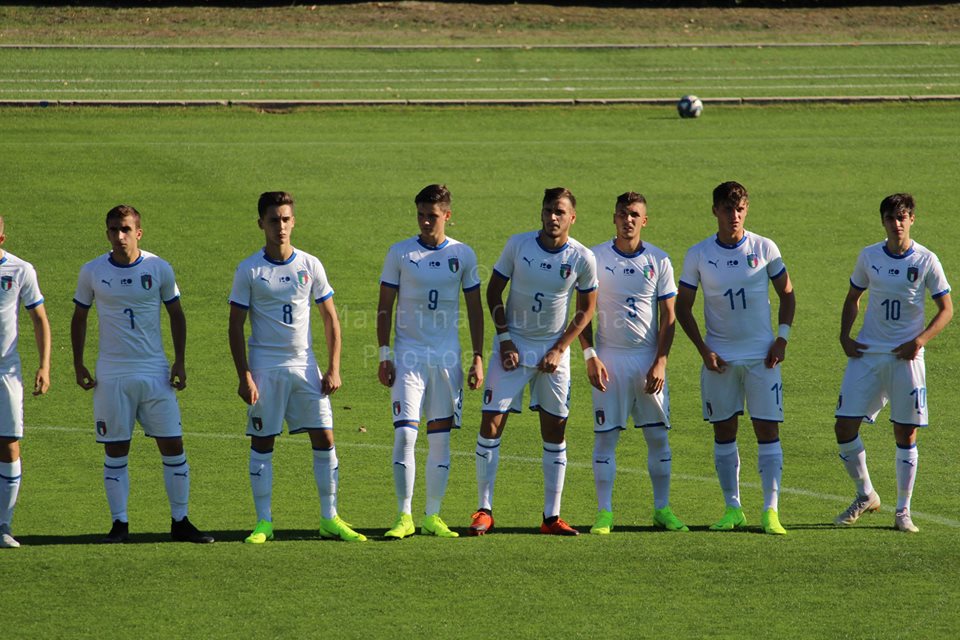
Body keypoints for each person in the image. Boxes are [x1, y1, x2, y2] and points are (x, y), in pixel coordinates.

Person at [72, 205, 213, 544]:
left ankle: (180, 521)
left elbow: (176, 314)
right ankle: (119, 524)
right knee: (116, 449)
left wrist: (179, 361)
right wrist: (78, 363)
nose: (119, 236)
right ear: (107, 233)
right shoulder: (92, 271)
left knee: (173, 444)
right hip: (112, 374)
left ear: (139, 232)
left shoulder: (158, 267)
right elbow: (79, 317)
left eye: (125, 229)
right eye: (113, 230)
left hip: (154, 372)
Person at [229, 191, 365, 544]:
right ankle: (263, 522)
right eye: (274, 220)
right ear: (261, 224)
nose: (281, 227)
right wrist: (244, 375)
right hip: (265, 368)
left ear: (294, 221)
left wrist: (333, 368)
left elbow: (331, 319)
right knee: (263, 441)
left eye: (286, 219)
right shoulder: (249, 269)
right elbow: (234, 326)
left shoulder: (310, 265)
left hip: (306, 367)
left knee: (325, 436)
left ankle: (329, 518)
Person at [469, 187, 597, 536]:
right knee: (491, 424)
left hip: (554, 353)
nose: (552, 217)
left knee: (555, 429)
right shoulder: (519, 245)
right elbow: (493, 292)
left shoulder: (582, 258)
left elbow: (586, 310)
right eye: (547, 210)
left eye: (559, 211)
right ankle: (483, 510)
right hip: (513, 348)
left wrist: (560, 349)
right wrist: (505, 338)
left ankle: (551, 517)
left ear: (572, 217)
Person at [675, 181, 795, 535]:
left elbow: (788, 295)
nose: (735, 216)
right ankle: (733, 508)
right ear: (715, 211)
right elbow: (683, 307)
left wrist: (781, 339)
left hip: (762, 358)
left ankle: (771, 511)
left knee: (767, 430)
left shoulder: (764, 248)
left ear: (747, 209)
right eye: (728, 209)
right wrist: (703, 349)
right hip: (720, 358)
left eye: (740, 209)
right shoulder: (699, 254)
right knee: (724, 431)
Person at [833, 193, 952, 533]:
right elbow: (854, 296)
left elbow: (947, 309)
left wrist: (919, 340)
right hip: (868, 354)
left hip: (906, 358)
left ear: (912, 219)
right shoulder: (869, 256)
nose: (897, 223)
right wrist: (845, 335)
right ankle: (865, 494)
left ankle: (903, 512)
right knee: (844, 426)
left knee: (905, 432)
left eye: (902, 217)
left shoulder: (927, 260)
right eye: (890, 218)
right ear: (883, 221)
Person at [376, 184, 484, 539]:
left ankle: (432, 516)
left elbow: (474, 308)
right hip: (408, 358)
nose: (425, 221)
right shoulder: (400, 253)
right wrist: (384, 353)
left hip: (446, 360)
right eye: (421, 214)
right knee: (405, 435)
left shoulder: (464, 255)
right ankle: (404, 516)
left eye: (432, 215)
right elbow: (384, 306)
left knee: (440, 441)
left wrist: (478, 357)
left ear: (447, 216)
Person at [579, 192, 687, 535]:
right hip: (609, 359)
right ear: (614, 218)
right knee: (606, 438)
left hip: (646, 360)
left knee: (657, 438)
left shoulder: (659, 260)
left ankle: (662, 509)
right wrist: (590, 355)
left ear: (644, 220)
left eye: (635, 215)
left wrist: (661, 362)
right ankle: (604, 513)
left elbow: (670, 317)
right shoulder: (594, 257)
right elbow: (582, 313)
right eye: (623, 214)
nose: (628, 220)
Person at [0, 217, 51, 549]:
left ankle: (3, 525)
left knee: (9, 443)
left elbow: (39, 318)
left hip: (6, 371)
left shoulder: (20, 270)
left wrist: (44, 365)